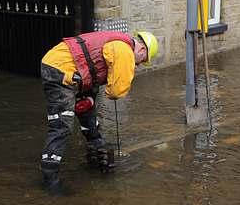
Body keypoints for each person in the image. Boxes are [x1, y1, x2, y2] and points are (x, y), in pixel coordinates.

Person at [39, 30, 158, 188]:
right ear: (142, 50)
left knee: (87, 106)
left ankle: (95, 144)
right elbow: (117, 89)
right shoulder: (124, 49)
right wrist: (113, 90)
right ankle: (49, 177)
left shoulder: (118, 42)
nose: (139, 65)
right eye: (142, 61)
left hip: (73, 70)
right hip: (61, 70)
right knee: (61, 125)